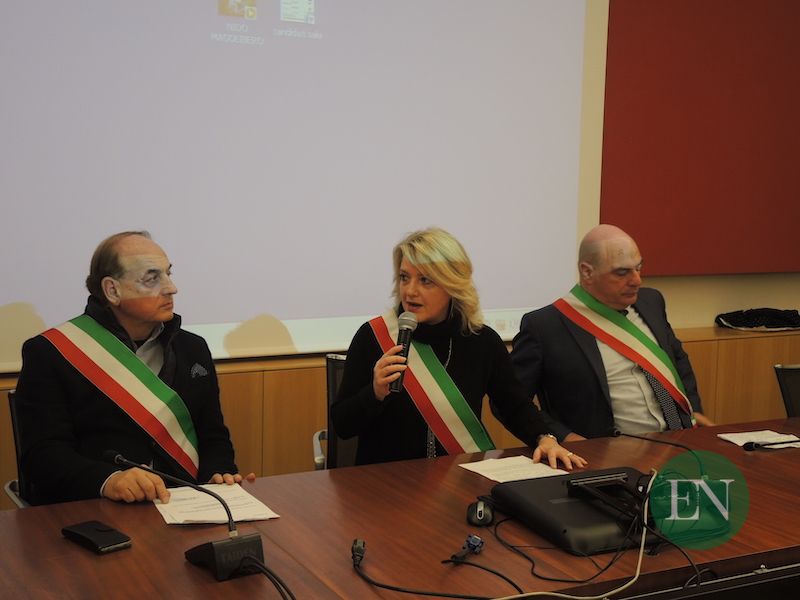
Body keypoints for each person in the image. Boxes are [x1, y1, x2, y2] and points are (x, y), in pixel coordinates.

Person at [15, 231, 254, 505]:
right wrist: (108, 480)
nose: (171, 288)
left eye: (168, 273)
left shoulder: (193, 348)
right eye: (152, 278)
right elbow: (42, 455)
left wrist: (218, 474)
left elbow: (213, 436)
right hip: (95, 507)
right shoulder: (52, 352)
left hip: (183, 504)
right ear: (112, 290)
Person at [331, 227, 586, 469]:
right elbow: (343, 425)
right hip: (388, 483)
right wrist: (374, 393)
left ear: (452, 285)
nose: (410, 291)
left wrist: (544, 437)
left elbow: (514, 406)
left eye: (425, 280)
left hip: (458, 479)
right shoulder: (373, 336)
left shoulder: (482, 341)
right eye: (404, 278)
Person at [510, 224, 714, 442]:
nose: (637, 280)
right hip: (605, 450)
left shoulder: (652, 302)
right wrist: (561, 436)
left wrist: (694, 409)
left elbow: (678, 359)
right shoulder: (544, 326)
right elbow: (512, 401)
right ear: (587, 272)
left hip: (679, 439)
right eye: (622, 272)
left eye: (638, 268)